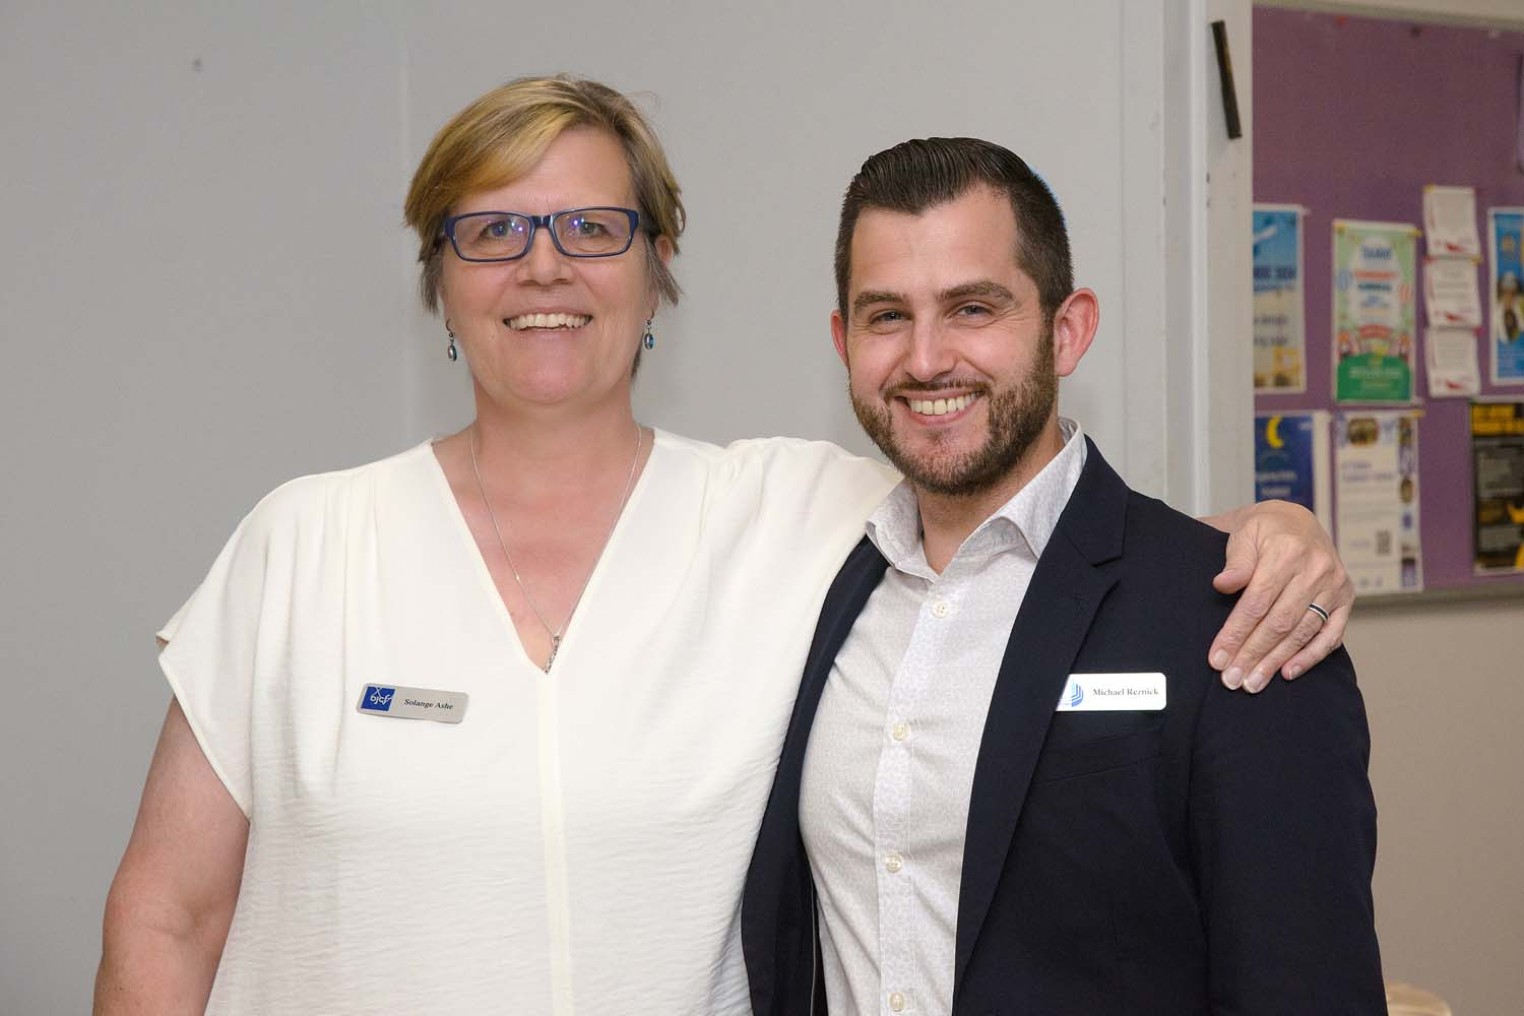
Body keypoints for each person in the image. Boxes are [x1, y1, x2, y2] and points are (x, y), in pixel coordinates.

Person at [95, 78, 1353, 1015]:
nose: (545, 266)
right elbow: (167, 915)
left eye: (593, 228)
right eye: (493, 230)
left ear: (656, 271)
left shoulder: (793, 515)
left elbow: (1024, 511)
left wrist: (1272, 535)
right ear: (441, 277)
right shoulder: (304, 544)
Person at [742, 138, 1384, 1014]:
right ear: (842, 341)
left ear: (1067, 329)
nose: (925, 360)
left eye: (972, 308)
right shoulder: (820, 579)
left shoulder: (1240, 615)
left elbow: (1306, 986)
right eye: (886, 316)